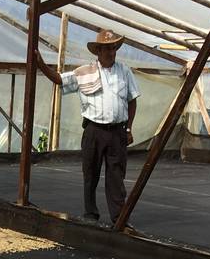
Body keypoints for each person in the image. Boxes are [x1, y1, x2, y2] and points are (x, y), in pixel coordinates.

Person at [37, 29, 139, 225]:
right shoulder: (85, 72)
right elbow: (60, 79)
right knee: (90, 173)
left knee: (116, 176)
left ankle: (119, 218)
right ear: (98, 51)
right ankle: (90, 214)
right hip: (94, 130)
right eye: (107, 49)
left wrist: (128, 128)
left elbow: (132, 100)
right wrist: (41, 64)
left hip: (117, 131)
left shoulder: (125, 72)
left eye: (113, 48)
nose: (111, 52)